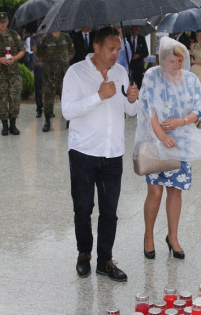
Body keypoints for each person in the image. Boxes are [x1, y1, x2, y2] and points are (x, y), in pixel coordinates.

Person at [62, 27, 139, 280]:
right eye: (111, 49)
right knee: (83, 208)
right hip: (83, 152)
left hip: (112, 153)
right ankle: (84, 253)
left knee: (109, 211)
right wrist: (98, 96)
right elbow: (67, 111)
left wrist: (132, 98)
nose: (116, 54)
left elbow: (130, 111)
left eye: (118, 49)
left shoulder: (120, 72)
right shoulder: (76, 73)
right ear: (96, 47)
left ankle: (104, 261)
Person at [135, 37, 201, 260]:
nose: (177, 66)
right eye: (173, 61)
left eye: (181, 61)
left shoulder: (190, 80)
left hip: (181, 143)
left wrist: (180, 121)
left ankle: (173, 237)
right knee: (154, 191)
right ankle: (149, 236)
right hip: (155, 141)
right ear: (162, 60)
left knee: (175, 190)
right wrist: (161, 135)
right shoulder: (152, 76)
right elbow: (148, 108)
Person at [36, 30, 75, 132]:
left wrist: (64, 60)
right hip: (50, 74)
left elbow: (72, 53)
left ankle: (69, 120)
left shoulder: (66, 38)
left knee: (66, 97)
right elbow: (39, 55)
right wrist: (50, 62)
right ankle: (47, 122)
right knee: (48, 98)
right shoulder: (45, 39)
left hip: (64, 74)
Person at [126, 25, 149, 89]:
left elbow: (146, 52)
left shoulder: (142, 39)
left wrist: (139, 55)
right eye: (135, 29)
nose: (137, 31)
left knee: (139, 84)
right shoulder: (126, 39)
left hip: (138, 66)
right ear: (131, 29)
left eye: (138, 30)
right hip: (129, 65)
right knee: (128, 83)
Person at [31, 20, 45, 117]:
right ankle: (39, 109)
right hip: (39, 67)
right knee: (38, 88)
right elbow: (35, 50)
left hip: (48, 67)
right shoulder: (34, 38)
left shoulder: (50, 37)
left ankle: (49, 109)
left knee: (49, 90)